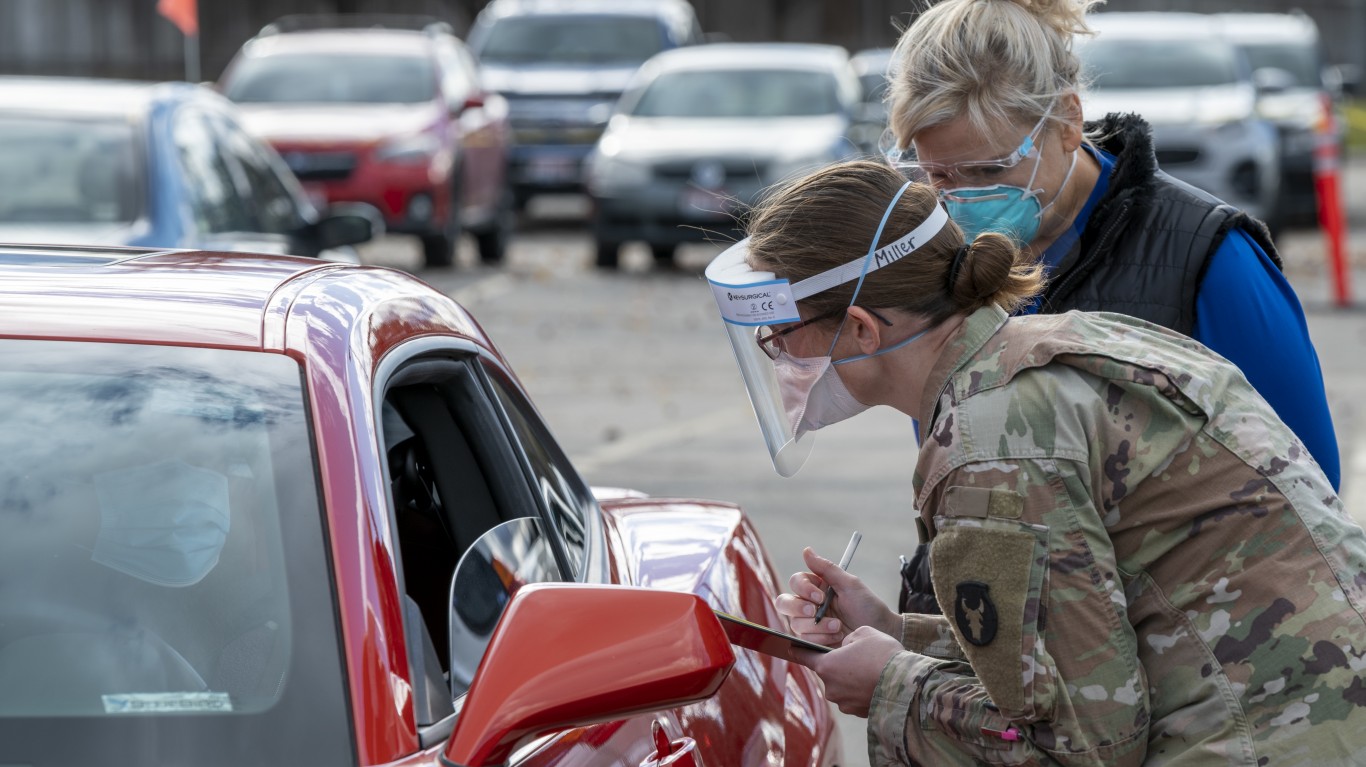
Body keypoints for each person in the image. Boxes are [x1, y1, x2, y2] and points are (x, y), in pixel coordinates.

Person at [703, 159, 1366, 766]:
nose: (781, 361)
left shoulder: (992, 445)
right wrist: (894, 631)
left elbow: (1085, 743)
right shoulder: (1069, 342)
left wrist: (890, 684)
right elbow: (1088, 646)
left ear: (861, 330)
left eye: (783, 336)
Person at [880, 0, 1341, 615]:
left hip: (1199, 667)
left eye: (990, 167)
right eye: (938, 175)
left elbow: (1309, 489)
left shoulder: (1206, 256)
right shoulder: (946, 269)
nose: (964, 198)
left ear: (1068, 120)